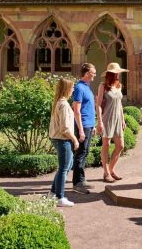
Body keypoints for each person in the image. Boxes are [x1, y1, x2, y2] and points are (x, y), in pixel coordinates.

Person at [96, 62, 129, 183]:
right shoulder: (103, 86)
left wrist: (123, 120)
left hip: (118, 119)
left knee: (120, 146)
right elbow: (98, 105)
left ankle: (111, 169)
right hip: (107, 118)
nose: (118, 75)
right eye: (117, 73)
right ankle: (106, 173)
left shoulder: (119, 85)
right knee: (106, 145)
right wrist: (99, 122)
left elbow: (119, 104)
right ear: (111, 74)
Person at [49, 78, 79, 207]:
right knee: (63, 168)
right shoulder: (64, 105)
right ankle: (60, 197)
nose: (73, 90)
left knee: (65, 166)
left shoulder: (59, 102)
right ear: (67, 88)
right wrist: (74, 139)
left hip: (58, 138)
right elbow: (65, 128)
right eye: (72, 87)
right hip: (63, 139)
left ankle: (53, 192)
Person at [72, 63, 97, 194]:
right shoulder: (79, 88)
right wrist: (81, 129)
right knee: (80, 153)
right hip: (83, 125)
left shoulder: (87, 87)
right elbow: (76, 109)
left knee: (85, 152)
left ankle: (82, 179)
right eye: (93, 73)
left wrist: (93, 125)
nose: (95, 75)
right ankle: (77, 183)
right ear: (87, 74)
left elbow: (89, 107)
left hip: (89, 124)